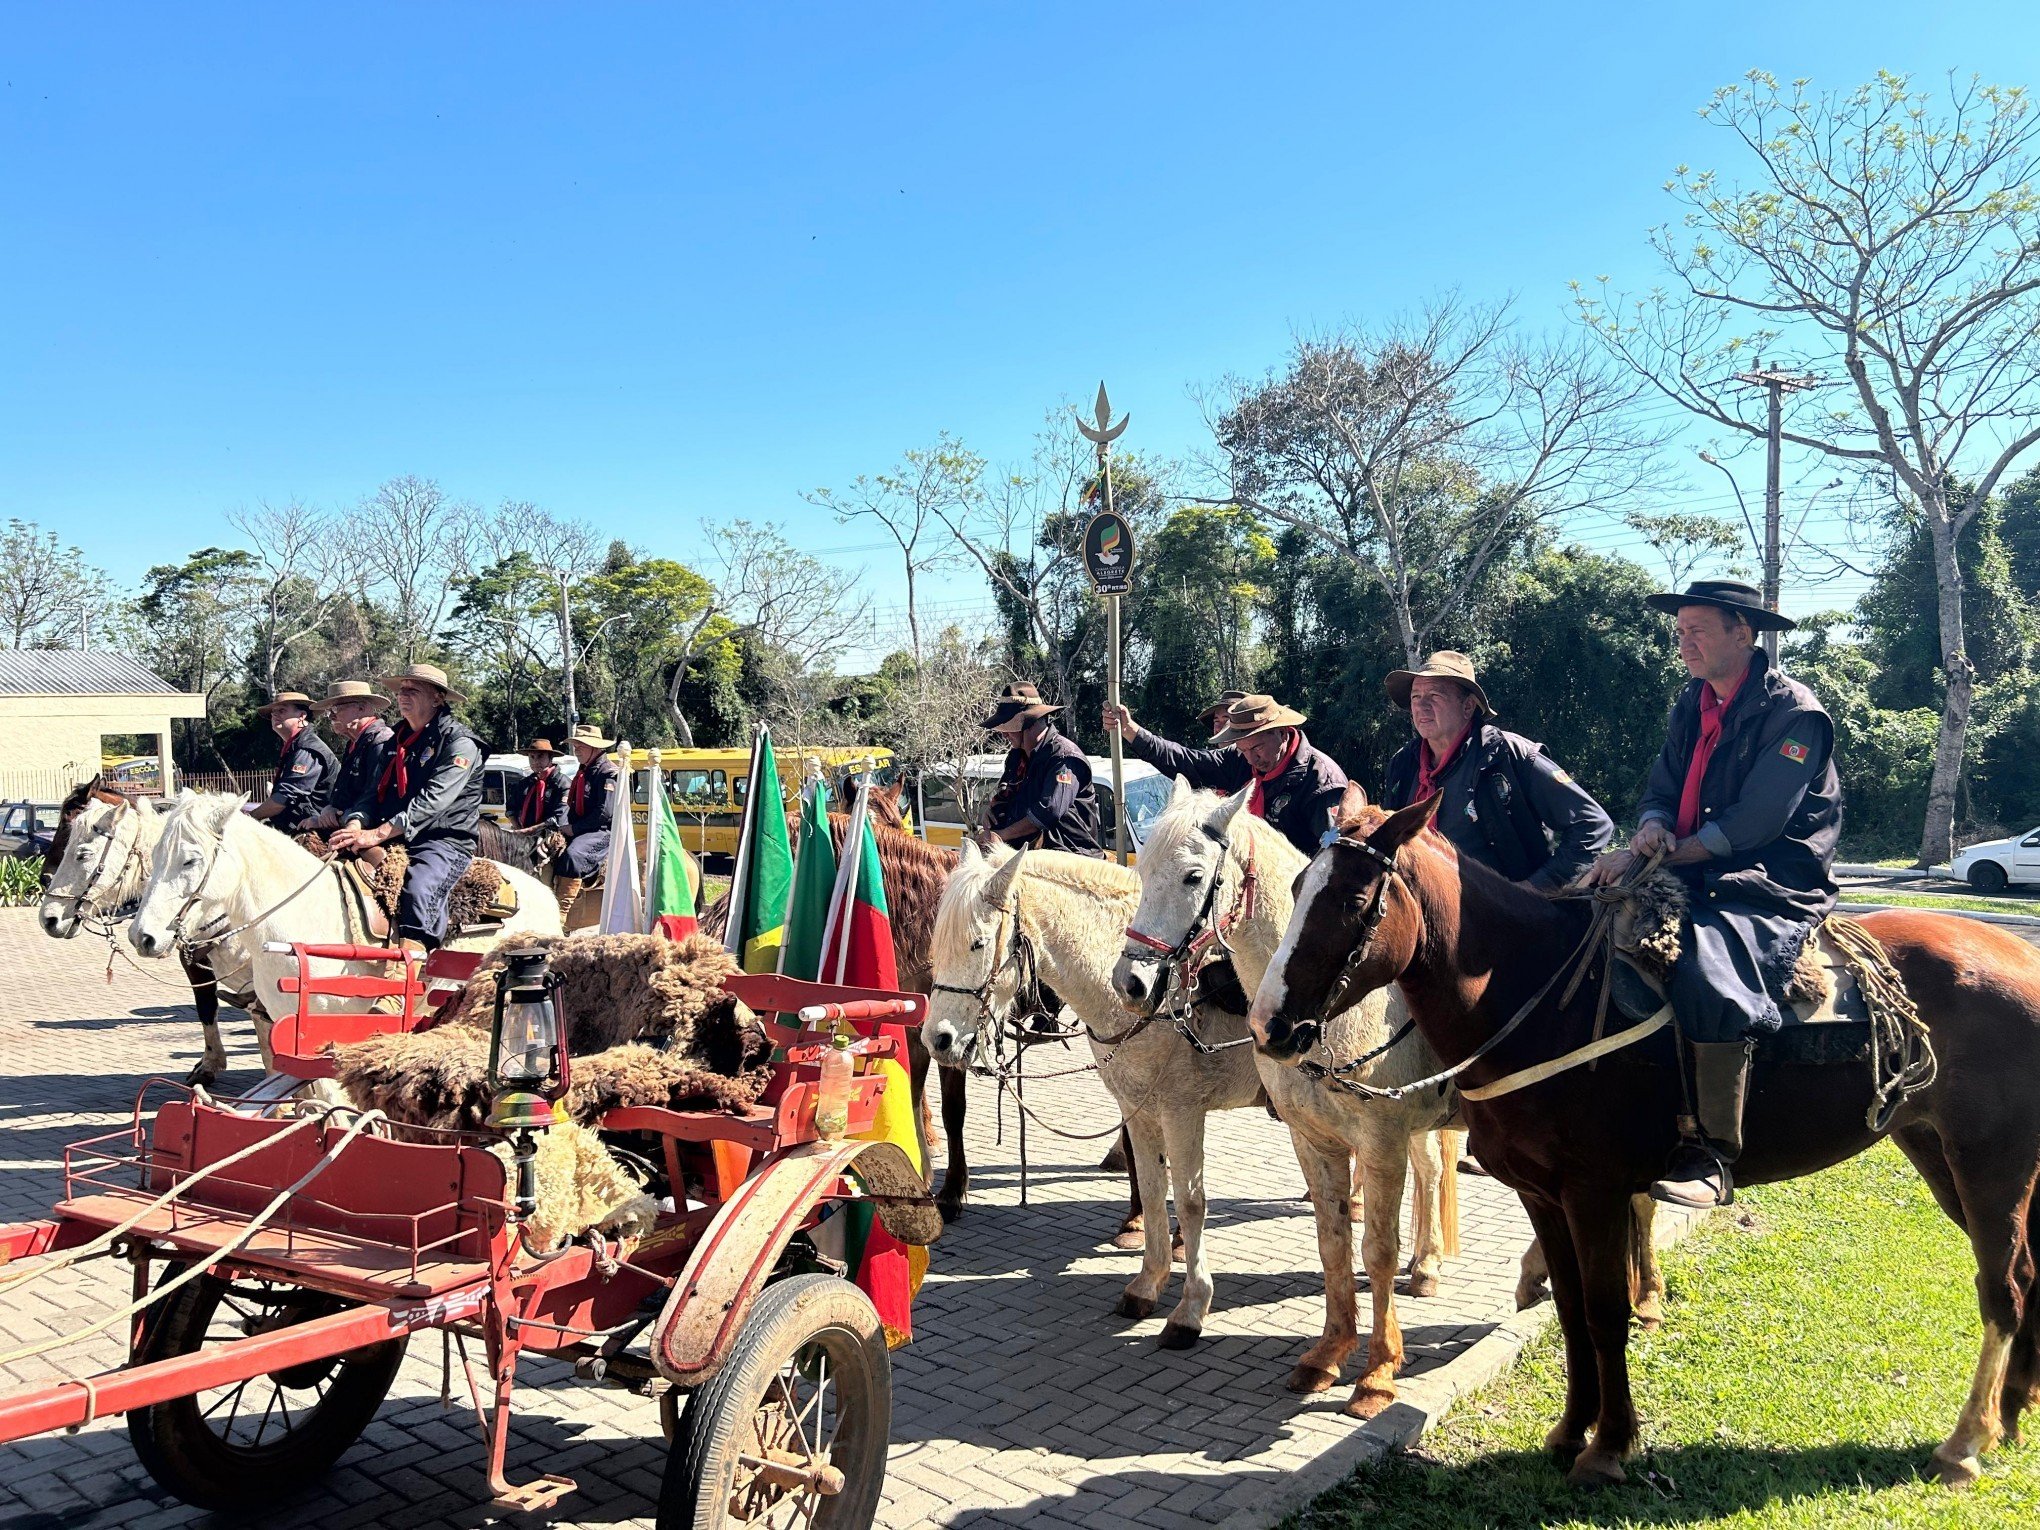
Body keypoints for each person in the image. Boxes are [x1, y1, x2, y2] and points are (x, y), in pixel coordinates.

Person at [1582, 578, 1842, 1210]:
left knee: (1706, 968)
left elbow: (1757, 822)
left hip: (1771, 880)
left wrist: (1664, 851)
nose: (1684, 640)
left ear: (1744, 633)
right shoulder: (1690, 703)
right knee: (1580, 928)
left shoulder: (1796, 715)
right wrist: (1647, 827)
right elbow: (1663, 789)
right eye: (1681, 630)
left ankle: (1714, 1153)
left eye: (1698, 629)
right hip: (1696, 869)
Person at [1379, 651, 1614, 892]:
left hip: (1505, 921)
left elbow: (1592, 824)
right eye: (1416, 696)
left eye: (1435, 695)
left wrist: (1534, 889)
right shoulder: (1403, 764)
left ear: (1468, 706)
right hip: (1427, 916)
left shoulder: (1508, 754)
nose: (1421, 706)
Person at [328, 663, 485, 953]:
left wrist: (376, 835)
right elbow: (372, 794)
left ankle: (407, 977)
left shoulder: (460, 743)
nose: (403, 695)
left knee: (418, 889)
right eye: (401, 690)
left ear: (438, 698)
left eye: (413, 690)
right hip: (397, 835)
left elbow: (433, 801)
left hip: (442, 841)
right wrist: (355, 824)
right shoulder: (395, 741)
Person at [1103, 691, 1346, 860]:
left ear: (1282, 734)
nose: (1251, 759)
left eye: (1257, 748)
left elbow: (1331, 856)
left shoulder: (1319, 781)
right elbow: (1186, 761)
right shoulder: (1238, 761)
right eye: (1243, 750)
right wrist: (1131, 731)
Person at [981, 683, 1102, 854]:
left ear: (1029, 724)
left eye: (1008, 727)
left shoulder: (1064, 757)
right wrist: (993, 810)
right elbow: (1005, 793)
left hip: (1069, 854)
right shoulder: (1016, 757)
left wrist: (1001, 835)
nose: (1004, 734)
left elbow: (1049, 811)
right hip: (1027, 853)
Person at [551, 724, 620, 920]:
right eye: (575, 745)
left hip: (602, 831)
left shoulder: (607, 773)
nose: (576, 749)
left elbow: (603, 814)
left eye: (581, 745)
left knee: (573, 855)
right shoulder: (584, 771)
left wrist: (574, 829)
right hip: (582, 829)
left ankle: (563, 915)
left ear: (595, 748)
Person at [306, 680, 393, 834]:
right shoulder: (355, 743)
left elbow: (375, 796)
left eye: (336, 708)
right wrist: (329, 809)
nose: (331, 716)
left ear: (362, 708)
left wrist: (341, 816)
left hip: (367, 829)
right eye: (329, 711)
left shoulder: (381, 742)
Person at [245, 692, 337, 835]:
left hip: (315, 832)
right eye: (272, 713)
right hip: (296, 827)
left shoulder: (308, 749)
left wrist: (247, 818)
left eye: (282, 710)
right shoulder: (295, 747)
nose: (274, 715)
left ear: (302, 716)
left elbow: (283, 797)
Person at [512, 738, 569, 834]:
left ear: (550, 758)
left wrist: (528, 832)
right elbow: (511, 808)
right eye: (532, 757)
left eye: (540, 756)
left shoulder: (563, 784)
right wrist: (518, 829)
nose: (535, 761)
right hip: (524, 838)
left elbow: (559, 819)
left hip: (552, 836)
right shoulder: (524, 783)